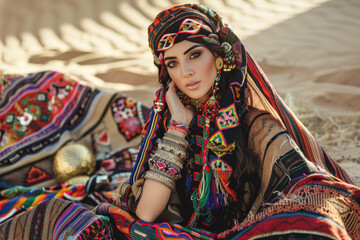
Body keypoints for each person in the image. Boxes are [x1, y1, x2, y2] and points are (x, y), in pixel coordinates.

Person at [119, 3, 360, 239]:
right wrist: (179, 127)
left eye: (194, 54)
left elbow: (306, 187)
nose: (185, 71)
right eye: (172, 63)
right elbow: (146, 213)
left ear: (219, 55)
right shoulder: (167, 119)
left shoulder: (256, 125)